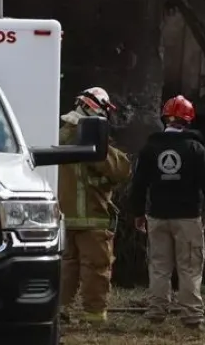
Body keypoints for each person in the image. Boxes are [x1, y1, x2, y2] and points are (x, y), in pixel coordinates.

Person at [129, 95, 205, 329]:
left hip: (157, 217)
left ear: (165, 118)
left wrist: (138, 212)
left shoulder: (150, 148)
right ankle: (192, 316)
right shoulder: (195, 148)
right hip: (188, 218)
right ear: (189, 120)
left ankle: (156, 311)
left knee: (159, 266)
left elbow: (138, 184)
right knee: (189, 267)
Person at [58, 87, 132, 325]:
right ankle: (94, 315)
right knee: (96, 267)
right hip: (92, 216)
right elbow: (120, 170)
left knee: (66, 266)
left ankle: (60, 309)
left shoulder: (59, 136)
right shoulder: (91, 139)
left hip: (63, 217)